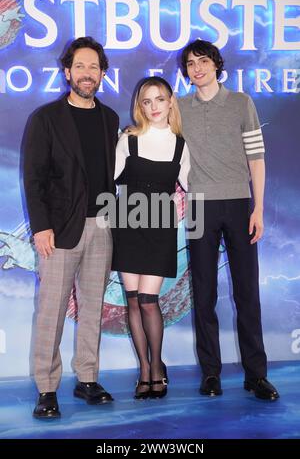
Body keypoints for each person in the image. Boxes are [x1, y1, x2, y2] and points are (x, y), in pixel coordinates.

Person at [23, 36, 119, 418]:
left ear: (101, 74)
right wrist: (41, 227)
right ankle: (47, 389)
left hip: (102, 226)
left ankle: (87, 379)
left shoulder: (109, 118)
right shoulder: (46, 118)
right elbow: (33, 178)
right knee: (51, 309)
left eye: (94, 67)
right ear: (67, 72)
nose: (87, 73)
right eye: (80, 66)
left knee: (93, 307)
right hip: (60, 229)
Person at [178, 40, 279, 401]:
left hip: (239, 204)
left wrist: (258, 208)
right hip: (199, 206)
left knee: (247, 294)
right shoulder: (179, 107)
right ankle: (211, 374)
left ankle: (257, 375)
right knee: (203, 295)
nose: (197, 68)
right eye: (190, 64)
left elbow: (257, 158)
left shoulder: (241, 103)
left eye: (203, 61)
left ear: (216, 65)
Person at [112, 76, 190, 399]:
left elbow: (193, 185)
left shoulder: (180, 145)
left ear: (170, 102)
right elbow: (111, 180)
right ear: (140, 107)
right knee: (132, 299)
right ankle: (144, 371)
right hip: (128, 223)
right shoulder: (127, 141)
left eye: (160, 99)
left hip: (159, 226)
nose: (154, 106)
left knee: (148, 301)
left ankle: (157, 366)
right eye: (147, 101)